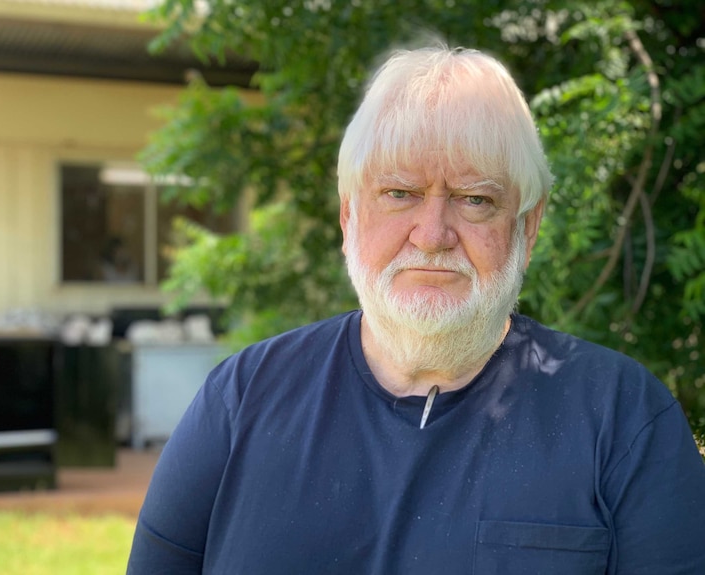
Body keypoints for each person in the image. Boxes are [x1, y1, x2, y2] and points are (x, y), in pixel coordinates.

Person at [126, 46, 705, 574]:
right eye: (399, 193)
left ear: (527, 229)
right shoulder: (240, 401)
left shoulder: (624, 420)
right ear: (349, 216)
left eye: (475, 200)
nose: (432, 235)